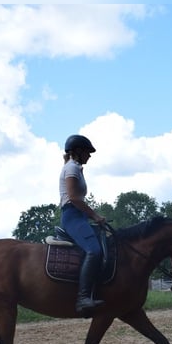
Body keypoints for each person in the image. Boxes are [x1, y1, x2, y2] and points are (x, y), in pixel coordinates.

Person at [59, 134, 107, 315]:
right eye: (87, 151)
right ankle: (83, 297)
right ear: (78, 151)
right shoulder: (72, 168)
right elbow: (73, 198)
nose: (90, 155)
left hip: (78, 215)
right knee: (94, 250)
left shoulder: (72, 166)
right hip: (73, 215)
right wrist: (95, 216)